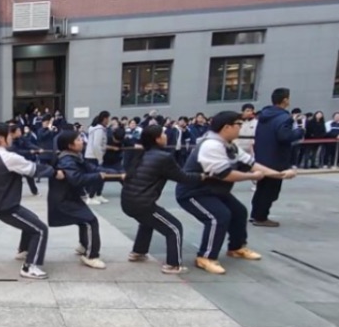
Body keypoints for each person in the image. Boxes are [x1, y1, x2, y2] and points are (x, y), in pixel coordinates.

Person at [177, 111, 296, 275]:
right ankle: (205, 257)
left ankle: (236, 247)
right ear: (227, 127)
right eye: (239, 124)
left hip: (214, 190)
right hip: (193, 192)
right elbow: (225, 175)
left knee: (239, 212)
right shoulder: (211, 145)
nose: (241, 128)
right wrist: (252, 177)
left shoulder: (230, 145)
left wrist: (279, 174)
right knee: (218, 217)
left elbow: (251, 164)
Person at [0, 123, 63, 280]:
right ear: (1, 138)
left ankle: (23, 250)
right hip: (8, 208)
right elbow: (33, 169)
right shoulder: (8, 158)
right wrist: (55, 173)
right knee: (40, 229)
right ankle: (29, 267)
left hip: (4, 205)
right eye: (9, 135)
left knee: (33, 220)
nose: (11, 137)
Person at [121, 125, 204, 275]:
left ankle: (138, 252)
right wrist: (202, 176)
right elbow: (182, 177)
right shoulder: (164, 157)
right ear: (157, 139)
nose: (166, 136)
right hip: (143, 204)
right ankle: (173, 265)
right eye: (163, 134)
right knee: (174, 228)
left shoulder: (140, 153)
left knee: (147, 222)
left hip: (127, 201)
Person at [49, 130, 114, 270]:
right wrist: (98, 176)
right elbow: (77, 179)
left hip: (70, 196)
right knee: (90, 221)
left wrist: (114, 173)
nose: (82, 142)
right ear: (70, 145)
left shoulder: (75, 157)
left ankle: (84, 246)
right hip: (63, 199)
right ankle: (91, 256)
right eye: (78, 140)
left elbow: (92, 168)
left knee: (84, 221)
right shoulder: (66, 160)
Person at [251, 88, 304, 227]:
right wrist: (299, 131)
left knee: (261, 188)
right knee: (270, 191)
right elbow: (284, 136)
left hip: (262, 157)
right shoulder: (284, 117)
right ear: (285, 100)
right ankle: (261, 217)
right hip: (276, 158)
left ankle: (256, 214)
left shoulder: (264, 115)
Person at [84, 111, 110, 204]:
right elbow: (96, 145)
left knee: (100, 177)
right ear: (104, 119)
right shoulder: (99, 130)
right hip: (94, 157)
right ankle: (91, 197)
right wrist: (100, 158)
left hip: (93, 156)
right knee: (96, 177)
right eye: (108, 118)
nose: (108, 121)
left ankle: (97, 195)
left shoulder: (97, 129)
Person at [9, 124, 42, 196]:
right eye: (18, 131)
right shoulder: (9, 141)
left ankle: (35, 191)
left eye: (19, 130)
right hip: (14, 161)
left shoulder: (22, 138)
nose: (20, 132)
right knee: (16, 179)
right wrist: (29, 152)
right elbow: (16, 151)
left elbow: (29, 144)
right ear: (12, 133)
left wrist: (37, 149)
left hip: (24, 160)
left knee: (29, 176)